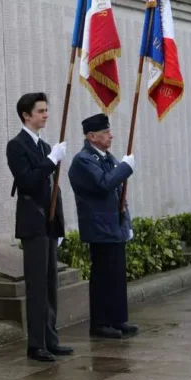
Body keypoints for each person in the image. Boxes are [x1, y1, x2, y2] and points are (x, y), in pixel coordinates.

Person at [6, 92, 74, 362]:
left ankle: (51, 338)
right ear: (26, 115)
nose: (46, 115)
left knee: (50, 285)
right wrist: (51, 160)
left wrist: (59, 226)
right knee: (36, 286)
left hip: (48, 223)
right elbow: (28, 182)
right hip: (32, 223)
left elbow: (53, 191)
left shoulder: (46, 147)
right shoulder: (17, 146)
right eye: (40, 111)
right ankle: (36, 344)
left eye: (46, 110)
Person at [67, 113, 139, 339]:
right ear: (92, 136)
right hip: (99, 227)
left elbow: (120, 194)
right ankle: (100, 323)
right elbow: (105, 183)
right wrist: (126, 167)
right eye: (106, 132)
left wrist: (126, 223)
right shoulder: (83, 160)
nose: (111, 136)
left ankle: (118, 319)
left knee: (117, 275)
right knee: (103, 276)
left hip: (114, 226)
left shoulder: (106, 157)